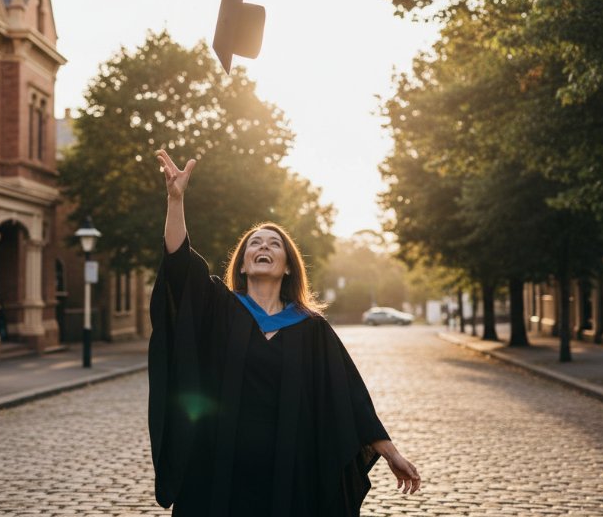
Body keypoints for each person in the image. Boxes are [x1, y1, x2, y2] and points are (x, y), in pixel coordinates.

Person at [148, 149, 421, 517]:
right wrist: (175, 199)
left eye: (274, 244)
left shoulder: (311, 328)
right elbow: (179, 264)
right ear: (242, 265)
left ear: (289, 267)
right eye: (254, 244)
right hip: (220, 468)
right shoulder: (221, 308)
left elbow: (349, 396)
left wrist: (390, 451)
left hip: (291, 475)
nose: (263, 247)